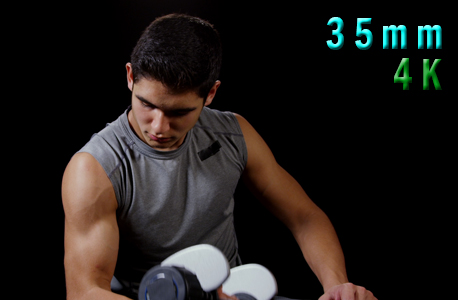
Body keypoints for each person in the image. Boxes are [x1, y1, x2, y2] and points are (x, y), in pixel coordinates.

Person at [62, 13, 377, 300]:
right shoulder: (95, 168)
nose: (158, 126)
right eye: (147, 104)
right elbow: (84, 292)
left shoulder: (233, 134)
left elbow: (304, 217)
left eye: (179, 112)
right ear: (130, 77)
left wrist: (336, 286)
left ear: (210, 94)